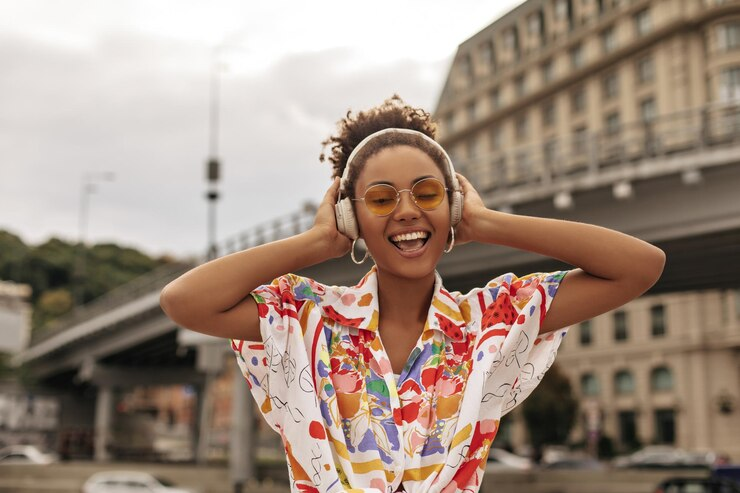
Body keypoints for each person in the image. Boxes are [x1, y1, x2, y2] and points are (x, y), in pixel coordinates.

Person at [160, 96, 665, 493]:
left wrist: (488, 223)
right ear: (351, 216)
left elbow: (640, 267)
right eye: (380, 199)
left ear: (452, 205)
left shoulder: (488, 322)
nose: (406, 211)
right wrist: (318, 241)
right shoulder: (306, 319)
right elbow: (184, 301)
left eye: (426, 193)